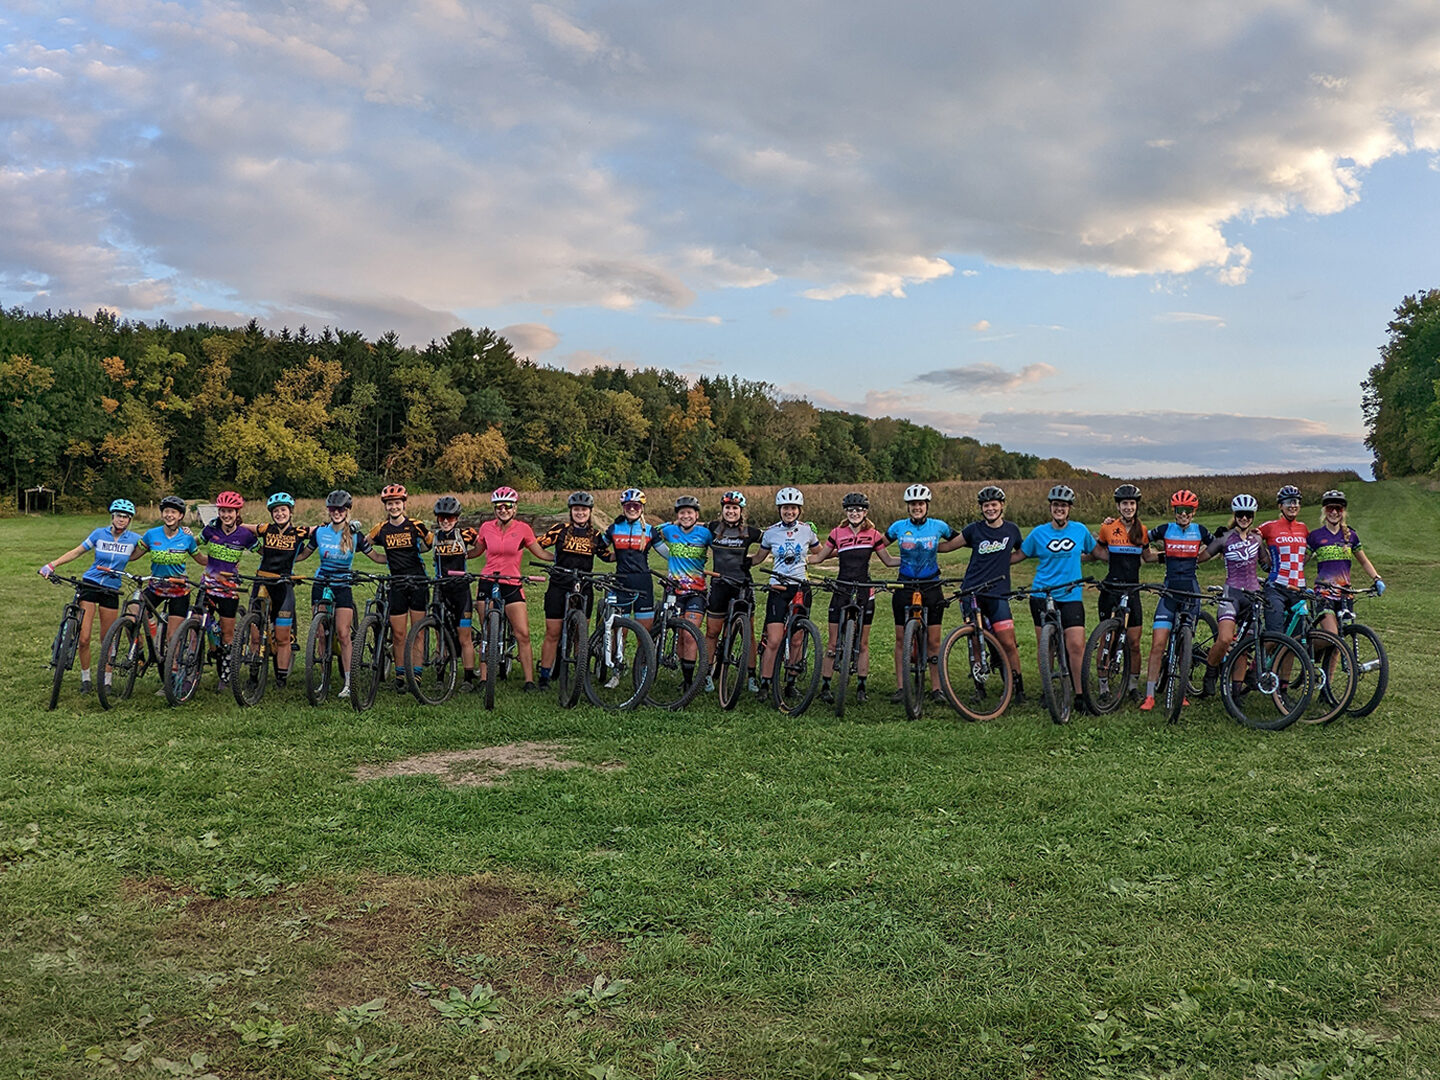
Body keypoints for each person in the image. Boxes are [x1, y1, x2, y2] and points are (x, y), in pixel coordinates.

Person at [38, 498, 144, 694]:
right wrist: (52, 565)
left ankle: (107, 680)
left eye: (126, 517)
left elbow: (156, 545)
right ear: (112, 516)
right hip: (91, 583)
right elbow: (77, 551)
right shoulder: (98, 534)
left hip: (111, 589)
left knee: (108, 638)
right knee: (84, 637)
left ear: (130, 520)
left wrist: (187, 535)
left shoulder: (134, 539)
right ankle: (85, 678)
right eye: (119, 516)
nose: (122, 520)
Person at [1011, 484, 1100, 717]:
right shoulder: (1038, 533)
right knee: (1046, 646)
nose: (1059, 509)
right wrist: (991, 557)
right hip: (1042, 594)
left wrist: (1126, 555)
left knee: (1076, 645)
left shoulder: (1080, 530)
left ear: (1069, 509)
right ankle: (1048, 689)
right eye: (1055, 505)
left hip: (1071, 595)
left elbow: (1096, 552)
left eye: (1063, 506)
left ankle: (1080, 694)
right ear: (1051, 508)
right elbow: (1019, 555)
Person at [297, 489, 387, 699]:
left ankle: (348, 681)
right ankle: (322, 678)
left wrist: (400, 559)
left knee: (343, 633)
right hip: (321, 582)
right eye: (332, 509)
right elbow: (304, 554)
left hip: (343, 584)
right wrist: (284, 561)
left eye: (341, 509)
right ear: (328, 510)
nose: (336, 512)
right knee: (319, 633)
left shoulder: (355, 535)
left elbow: (375, 556)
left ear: (347, 511)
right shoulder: (319, 532)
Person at [810, 492, 897, 704]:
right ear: (846, 512)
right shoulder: (837, 533)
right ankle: (826, 686)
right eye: (850, 510)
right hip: (842, 588)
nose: (855, 513)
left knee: (864, 643)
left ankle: (861, 686)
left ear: (865, 512)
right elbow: (820, 557)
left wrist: (916, 559)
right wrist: (797, 559)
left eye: (858, 510)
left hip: (865, 589)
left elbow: (887, 560)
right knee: (832, 643)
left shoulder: (874, 534)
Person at [884, 483, 964, 704]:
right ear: (908, 506)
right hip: (905, 584)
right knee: (901, 640)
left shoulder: (939, 526)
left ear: (926, 505)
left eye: (920, 504)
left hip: (931, 585)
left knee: (934, 642)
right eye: (913, 504)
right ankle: (901, 687)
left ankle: (936, 688)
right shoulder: (898, 527)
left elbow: (959, 540)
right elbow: (878, 544)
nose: (917, 507)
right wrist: (888, 561)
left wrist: (946, 549)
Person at [1137, 489, 1213, 711]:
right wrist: (1157, 556)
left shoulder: (1200, 531)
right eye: (1180, 510)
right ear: (1174, 511)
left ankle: (1182, 688)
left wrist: (1200, 558)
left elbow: (1217, 545)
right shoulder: (1165, 529)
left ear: (1193, 512)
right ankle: (1149, 695)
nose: (1183, 515)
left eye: (1188, 511)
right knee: (1158, 643)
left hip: (1190, 590)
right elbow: (1142, 539)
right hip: (1169, 590)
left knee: (1184, 644)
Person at [954, 486, 1026, 703]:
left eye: (994, 505)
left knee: (1008, 642)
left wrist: (1005, 561)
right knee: (976, 640)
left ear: (1002, 506)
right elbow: (949, 546)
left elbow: (1023, 551)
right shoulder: (973, 530)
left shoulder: (1012, 530)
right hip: (972, 591)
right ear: (981, 509)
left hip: (998, 593)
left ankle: (1017, 686)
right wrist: (925, 544)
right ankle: (979, 686)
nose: (990, 509)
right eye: (986, 506)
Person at [474, 486, 548, 691]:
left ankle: (529, 680)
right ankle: (483, 679)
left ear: (515, 508)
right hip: (488, 580)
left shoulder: (523, 529)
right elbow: (476, 551)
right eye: (499, 506)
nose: (503, 509)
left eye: (507, 506)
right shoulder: (486, 528)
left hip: (512, 582)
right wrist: (453, 554)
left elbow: (540, 553)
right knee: (486, 632)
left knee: (522, 633)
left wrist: (565, 559)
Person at [535, 492, 612, 689]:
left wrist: (626, 549)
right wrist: (549, 559)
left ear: (590, 512)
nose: (580, 513)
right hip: (559, 584)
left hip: (584, 585)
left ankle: (579, 671)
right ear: (571, 511)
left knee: (580, 632)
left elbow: (606, 556)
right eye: (576, 509)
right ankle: (544, 675)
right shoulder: (560, 530)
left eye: (584, 510)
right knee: (553, 632)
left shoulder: (595, 536)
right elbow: (536, 543)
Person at [1200, 494, 1271, 698]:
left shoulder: (1257, 539)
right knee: (1224, 639)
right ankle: (1210, 672)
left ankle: (1236, 691)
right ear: (1235, 515)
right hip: (1231, 594)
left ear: (1253, 516)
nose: (1244, 518)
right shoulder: (1224, 538)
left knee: (1245, 645)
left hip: (1253, 596)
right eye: (1240, 514)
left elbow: (1266, 565)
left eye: (1248, 514)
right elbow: (1202, 557)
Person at [1093, 484, 1157, 702]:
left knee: (1134, 642)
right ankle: (1103, 688)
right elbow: (1098, 549)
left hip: (1133, 589)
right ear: (1118, 506)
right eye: (1124, 504)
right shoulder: (1108, 528)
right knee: (1107, 638)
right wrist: (1111, 559)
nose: (1128, 507)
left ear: (1136, 505)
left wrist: (1177, 555)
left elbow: (1148, 557)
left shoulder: (1143, 530)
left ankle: (1132, 686)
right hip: (1111, 588)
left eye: (1131, 503)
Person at [755, 487, 822, 697]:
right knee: (774, 639)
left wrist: (851, 549)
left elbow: (821, 553)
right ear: (779, 509)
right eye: (785, 508)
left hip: (801, 586)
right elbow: (758, 558)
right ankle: (765, 683)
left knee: (797, 638)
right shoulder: (770, 532)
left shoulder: (807, 531)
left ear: (799, 510)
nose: (789, 512)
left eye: (793, 508)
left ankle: (791, 682)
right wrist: (737, 562)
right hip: (778, 587)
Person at [367, 484, 434, 693]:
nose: (394, 507)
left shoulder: (416, 525)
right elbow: (363, 543)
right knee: (398, 633)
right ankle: (400, 673)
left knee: (418, 631)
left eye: (397, 503)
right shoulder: (381, 528)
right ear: (385, 506)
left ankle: (416, 673)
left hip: (417, 581)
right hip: (396, 583)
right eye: (390, 504)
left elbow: (430, 543)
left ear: (404, 504)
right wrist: (379, 558)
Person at [197, 491, 259, 691]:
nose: (226, 515)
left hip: (229, 588)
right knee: (199, 621)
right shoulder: (210, 529)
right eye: (223, 511)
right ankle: (197, 659)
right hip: (207, 584)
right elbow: (193, 544)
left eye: (230, 511)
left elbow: (263, 552)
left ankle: (225, 673)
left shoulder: (245, 535)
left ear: (237, 512)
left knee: (227, 633)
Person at [703, 491, 763, 693]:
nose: (731, 511)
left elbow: (770, 541)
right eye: (727, 507)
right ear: (722, 510)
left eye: (735, 508)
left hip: (742, 586)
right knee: (712, 632)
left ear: (741, 511)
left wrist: (754, 560)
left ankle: (752, 676)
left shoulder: (750, 532)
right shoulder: (712, 528)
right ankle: (707, 673)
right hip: (719, 585)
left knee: (749, 633)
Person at [250, 492, 311, 686]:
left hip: (283, 584)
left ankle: (281, 677)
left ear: (290, 512)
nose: (280, 514)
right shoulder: (266, 529)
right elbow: (241, 527)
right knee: (254, 631)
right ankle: (253, 672)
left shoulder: (300, 532)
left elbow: (321, 530)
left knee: (283, 634)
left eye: (283, 510)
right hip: (262, 581)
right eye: (276, 511)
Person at [656, 495, 715, 690]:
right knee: (680, 634)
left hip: (696, 592)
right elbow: (653, 531)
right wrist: (670, 523)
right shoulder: (670, 530)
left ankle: (690, 682)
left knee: (690, 634)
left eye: (690, 512)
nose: (686, 516)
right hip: (674, 591)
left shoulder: (705, 533)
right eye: (682, 513)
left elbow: (723, 540)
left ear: (696, 515)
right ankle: (685, 675)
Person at [1308, 489, 1386, 635]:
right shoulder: (1315, 536)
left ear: (1343, 511)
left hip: (1345, 594)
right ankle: (1307, 650)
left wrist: (1377, 579)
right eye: (1330, 508)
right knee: (1333, 635)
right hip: (1324, 594)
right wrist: (1299, 585)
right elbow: (1301, 563)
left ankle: (1326, 656)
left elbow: (1363, 561)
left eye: (1338, 508)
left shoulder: (1351, 536)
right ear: (1324, 511)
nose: (1334, 512)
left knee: (1340, 642)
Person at [136, 495, 204, 650]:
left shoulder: (187, 538)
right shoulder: (151, 534)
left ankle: (173, 670)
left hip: (178, 589)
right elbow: (134, 555)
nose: (169, 515)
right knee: (133, 610)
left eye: (174, 512)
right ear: (162, 514)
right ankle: (150, 635)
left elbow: (200, 559)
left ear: (180, 516)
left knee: (172, 638)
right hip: (156, 587)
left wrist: (222, 561)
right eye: (166, 511)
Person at [429, 496, 482, 691]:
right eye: (442, 517)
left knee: (464, 636)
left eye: (450, 518)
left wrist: (469, 555)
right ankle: (440, 678)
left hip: (461, 591)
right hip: (441, 589)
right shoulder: (432, 536)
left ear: (457, 518)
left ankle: (468, 678)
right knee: (440, 635)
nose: (445, 521)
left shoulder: (465, 534)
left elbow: (482, 545)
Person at [602, 489, 663, 630]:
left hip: (643, 582)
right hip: (621, 582)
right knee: (619, 633)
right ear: (623, 507)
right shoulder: (614, 528)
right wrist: (609, 557)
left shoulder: (649, 530)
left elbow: (666, 553)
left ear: (642, 508)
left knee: (644, 631)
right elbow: (598, 548)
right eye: (628, 505)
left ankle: (643, 653)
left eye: (636, 505)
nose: (631, 509)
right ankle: (617, 653)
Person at [1258, 485, 1310, 633]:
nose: (1292, 506)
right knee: (1275, 634)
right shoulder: (1270, 527)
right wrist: (1264, 559)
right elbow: (1252, 539)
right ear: (1280, 506)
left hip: (1298, 588)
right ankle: (1261, 657)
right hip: (1276, 587)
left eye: (1295, 502)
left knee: (1295, 638)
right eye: (1288, 502)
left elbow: (1311, 549)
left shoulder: (1303, 528)